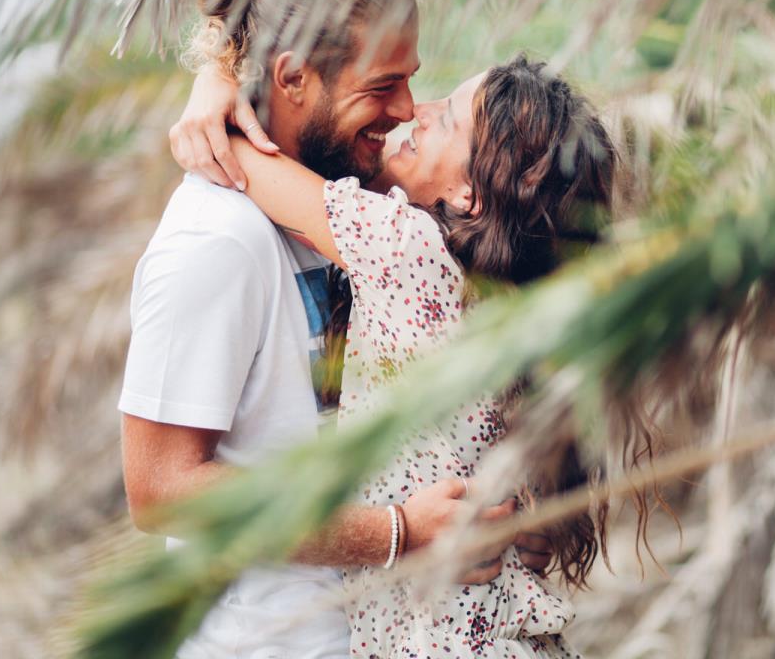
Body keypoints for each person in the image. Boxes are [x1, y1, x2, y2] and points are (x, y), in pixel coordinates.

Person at [120, 0, 540, 659]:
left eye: (410, 80)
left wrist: (215, 82)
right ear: (291, 80)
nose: (408, 109)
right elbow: (160, 488)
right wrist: (398, 534)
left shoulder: (364, 201)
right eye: (383, 87)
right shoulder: (217, 241)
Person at [198, 53, 617, 657]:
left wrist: (211, 81)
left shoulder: (409, 247)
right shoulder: (505, 295)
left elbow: (237, 157)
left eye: (446, 120)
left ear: (468, 194)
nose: (417, 111)